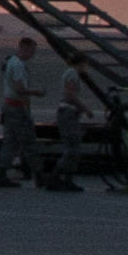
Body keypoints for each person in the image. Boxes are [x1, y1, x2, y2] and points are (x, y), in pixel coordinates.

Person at [0, 37, 39, 188]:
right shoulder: (19, 65)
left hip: (9, 107)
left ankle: (1, 174)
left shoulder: (11, 62)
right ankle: (40, 175)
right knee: (29, 142)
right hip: (18, 108)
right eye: (32, 51)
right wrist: (36, 92)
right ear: (25, 48)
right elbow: (19, 88)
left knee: (10, 143)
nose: (33, 55)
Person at [44, 58, 91, 192]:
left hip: (69, 114)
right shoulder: (72, 73)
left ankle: (67, 180)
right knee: (72, 148)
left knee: (74, 148)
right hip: (68, 114)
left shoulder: (70, 73)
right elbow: (70, 95)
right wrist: (85, 108)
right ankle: (55, 177)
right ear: (81, 63)